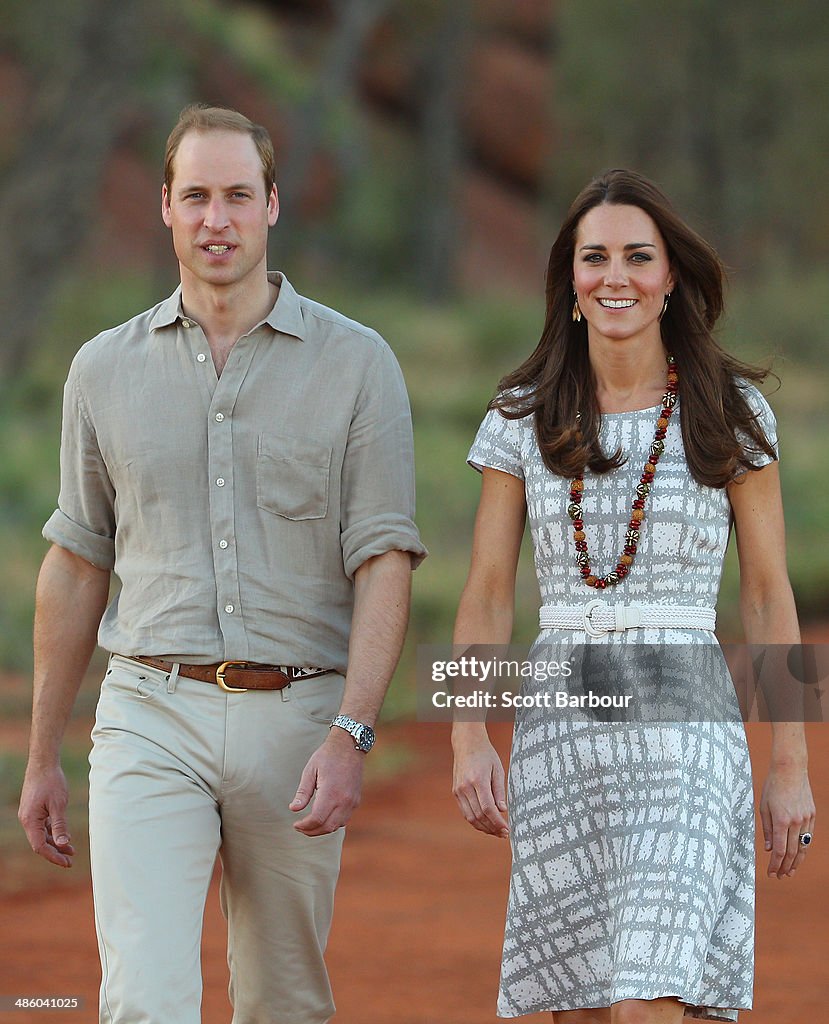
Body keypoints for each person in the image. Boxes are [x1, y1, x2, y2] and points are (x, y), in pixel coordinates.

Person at [18, 103, 426, 1024]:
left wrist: (353, 732)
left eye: (237, 195)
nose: (216, 218)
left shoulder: (358, 365)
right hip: (150, 711)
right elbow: (78, 559)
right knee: (145, 998)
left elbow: (384, 558)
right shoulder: (101, 371)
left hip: (299, 722)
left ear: (273, 205)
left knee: (284, 1001)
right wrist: (43, 754)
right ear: (163, 206)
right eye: (195, 195)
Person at [450, 169, 814, 1024]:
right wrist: (466, 734)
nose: (615, 275)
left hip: (685, 724)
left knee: (649, 999)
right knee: (578, 1003)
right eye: (595, 257)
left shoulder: (730, 409)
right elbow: (488, 591)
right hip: (560, 729)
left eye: (637, 257)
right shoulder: (521, 413)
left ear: (670, 278)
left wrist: (790, 764)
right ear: (569, 281)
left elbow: (766, 594)